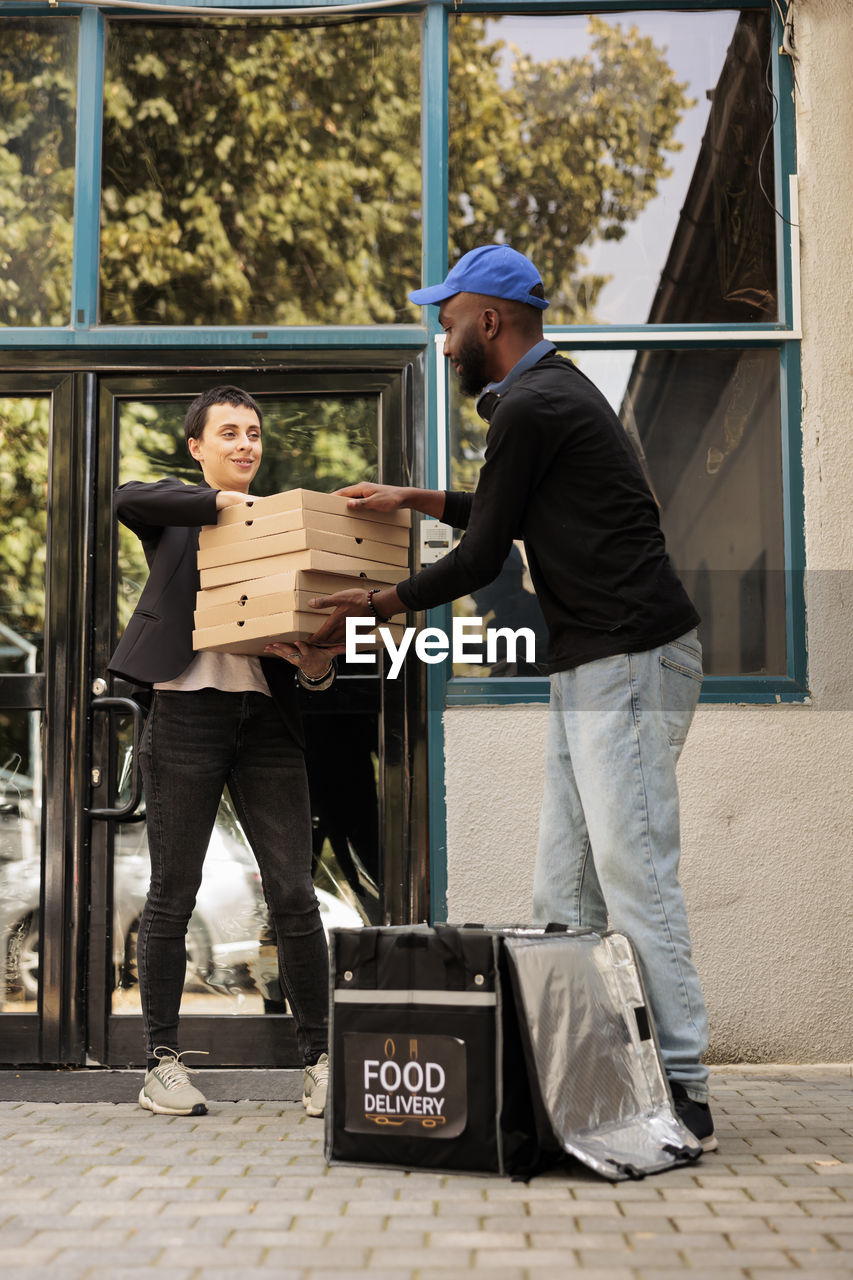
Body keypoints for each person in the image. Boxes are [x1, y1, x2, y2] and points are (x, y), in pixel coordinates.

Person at [308, 244, 716, 1152]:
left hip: (630, 659)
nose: (442, 336)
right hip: (593, 663)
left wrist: (379, 605)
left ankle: (683, 1089)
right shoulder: (547, 396)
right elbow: (505, 508)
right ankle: (577, 1077)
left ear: (487, 321)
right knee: (562, 888)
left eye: (447, 319)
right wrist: (413, 498)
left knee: (633, 876)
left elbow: (486, 552)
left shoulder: (534, 403)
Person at [109, 385, 331, 1119]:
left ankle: (319, 1059)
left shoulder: (284, 529)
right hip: (184, 713)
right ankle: (161, 1064)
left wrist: (313, 665)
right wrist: (216, 506)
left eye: (254, 433)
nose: (244, 444)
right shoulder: (178, 518)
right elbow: (125, 498)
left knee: (295, 895)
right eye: (228, 433)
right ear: (198, 447)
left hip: (267, 721)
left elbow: (315, 640)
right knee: (173, 892)